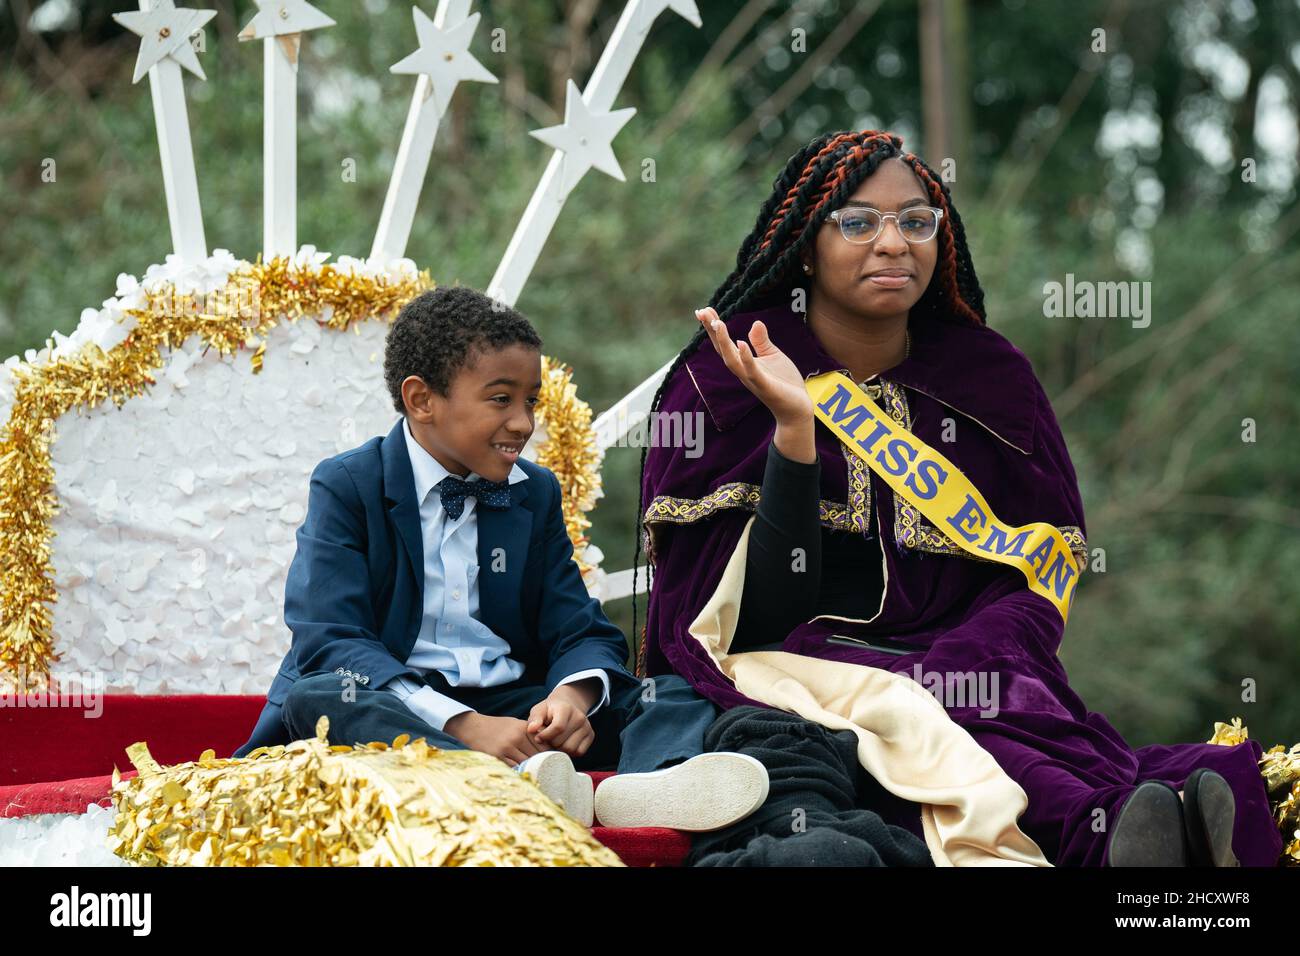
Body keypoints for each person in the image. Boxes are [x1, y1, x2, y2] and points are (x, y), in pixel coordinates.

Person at [635, 129, 1283, 866]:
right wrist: (793, 431)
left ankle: (1149, 835)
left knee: (998, 709)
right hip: (794, 666)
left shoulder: (992, 378)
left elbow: (1039, 577)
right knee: (939, 722)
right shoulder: (726, 374)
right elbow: (725, 619)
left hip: (978, 660)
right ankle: (1117, 841)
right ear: (806, 246)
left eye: (917, 222)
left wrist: (983, 646)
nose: (893, 243)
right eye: (858, 222)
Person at [232, 286, 768, 834]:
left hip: (516, 710)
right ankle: (499, 785)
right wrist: (464, 726)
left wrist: (571, 697)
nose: (522, 422)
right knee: (319, 696)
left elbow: (578, 628)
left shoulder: (532, 493)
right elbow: (330, 638)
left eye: (530, 400)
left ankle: (647, 787)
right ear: (421, 400)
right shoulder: (349, 484)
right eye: (500, 399)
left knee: (671, 691)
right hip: (400, 705)